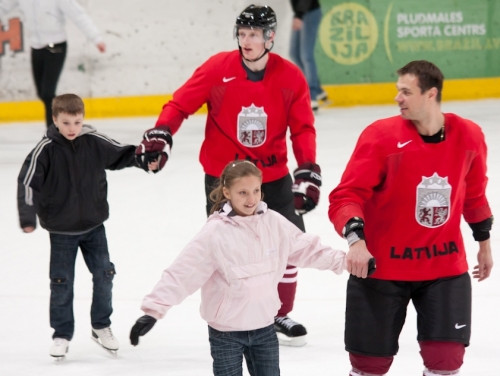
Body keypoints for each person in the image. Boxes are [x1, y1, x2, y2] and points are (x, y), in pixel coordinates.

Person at [134, 4, 322, 346]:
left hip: (272, 176)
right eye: (242, 33)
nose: (245, 40)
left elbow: (303, 127)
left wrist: (307, 166)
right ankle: (237, 316)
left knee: (290, 244)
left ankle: (278, 313)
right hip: (225, 179)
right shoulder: (217, 68)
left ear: (270, 38)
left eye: (253, 34)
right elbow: (179, 105)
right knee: (227, 249)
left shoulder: (291, 76)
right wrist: (163, 131)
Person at [328, 60, 494, 376]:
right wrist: (356, 241)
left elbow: (474, 195)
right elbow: (346, 196)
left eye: (406, 92)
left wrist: (484, 244)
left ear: (430, 94)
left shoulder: (469, 136)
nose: (397, 98)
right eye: (397, 91)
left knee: (446, 362)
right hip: (381, 269)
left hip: (444, 268)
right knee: (369, 366)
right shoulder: (381, 137)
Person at [130, 160, 346, 376]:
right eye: (242, 192)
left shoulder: (273, 223)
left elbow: (309, 249)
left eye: (256, 190)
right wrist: (153, 310)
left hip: (264, 327)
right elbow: (183, 272)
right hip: (226, 333)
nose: (251, 199)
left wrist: (347, 262)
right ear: (227, 192)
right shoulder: (215, 233)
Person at [17, 93, 155, 359]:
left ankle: (101, 325)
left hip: (94, 227)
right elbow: (27, 182)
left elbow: (121, 154)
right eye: (66, 122)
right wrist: (27, 217)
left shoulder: (93, 141)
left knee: (105, 274)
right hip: (61, 231)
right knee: (61, 283)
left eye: (77, 122)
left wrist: (143, 160)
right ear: (55, 119)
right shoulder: (45, 149)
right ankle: (61, 334)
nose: (72, 128)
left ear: (83, 119)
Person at [0, 0, 106, 127]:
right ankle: (58, 125)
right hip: (36, 47)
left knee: (48, 93)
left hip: (56, 47)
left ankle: (55, 130)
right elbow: (3, 7)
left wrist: (96, 38)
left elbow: (78, 15)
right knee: (42, 93)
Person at [289, 0, 328, 112]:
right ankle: (318, 90)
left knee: (306, 55)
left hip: (310, 12)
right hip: (301, 13)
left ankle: (313, 95)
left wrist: (299, 15)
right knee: (294, 53)